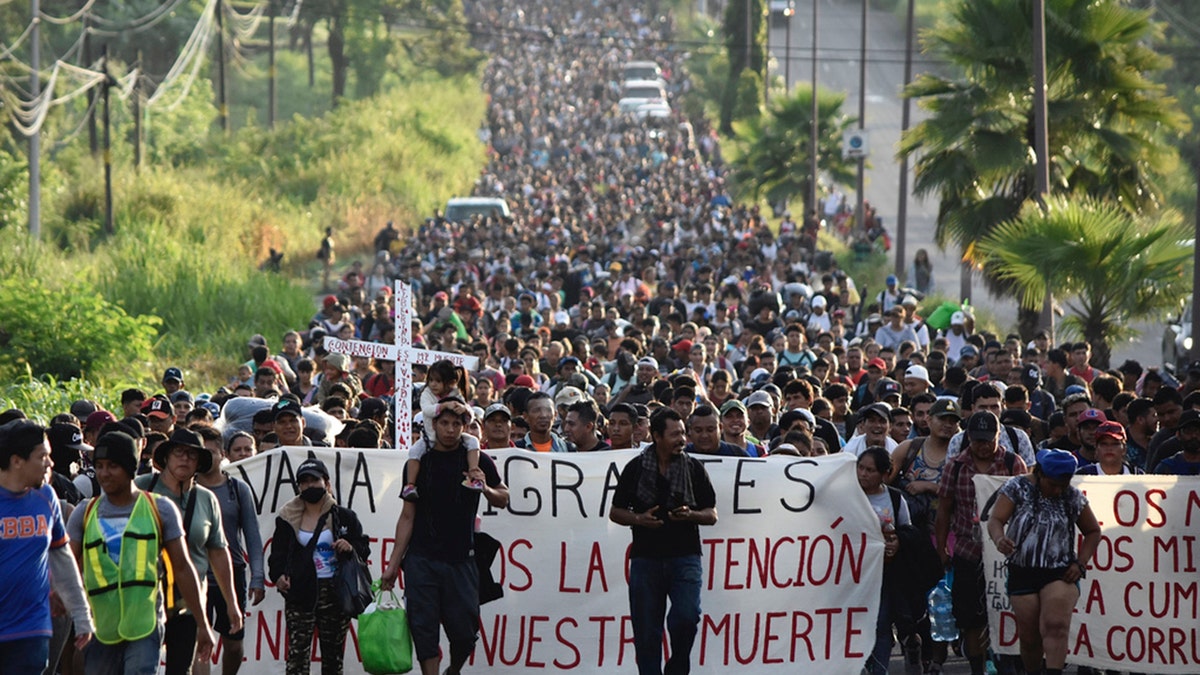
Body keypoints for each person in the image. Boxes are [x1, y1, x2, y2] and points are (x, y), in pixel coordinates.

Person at [380, 399, 510, 675]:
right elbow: (407, 517)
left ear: (464, 427)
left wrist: (485, 488)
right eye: (444, 423)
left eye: (456, 424)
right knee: (424, 631)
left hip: (462, 560)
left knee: (465, 633)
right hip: (421, 560)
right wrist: (392, 565)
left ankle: (454, 669)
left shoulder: (478, 459)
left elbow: (504, 498)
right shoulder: (419, 462)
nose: (450, 429)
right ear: (434, 425)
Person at [68, 431, 214, 675]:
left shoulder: (159, 509)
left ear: (130, 468)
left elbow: (183, 567)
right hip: (99, 627)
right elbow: (68, 568)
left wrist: (202, 623)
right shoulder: (84, 513)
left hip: (144, 625)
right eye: (100, 466)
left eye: (113, 466)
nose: (104, 473)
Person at [609, 408, 718, 675]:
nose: (682, 439)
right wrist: (639, 519)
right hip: (646, 560)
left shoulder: (694, 468)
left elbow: (711, 514)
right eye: (674, 434)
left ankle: (677, 667)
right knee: (646, 633)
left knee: (687, 617)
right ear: (656, 436)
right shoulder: (635, 469)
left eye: (683, 433)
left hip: (685, 558)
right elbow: (616, 512)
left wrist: (691, 515)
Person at [135, 428, 242, 675]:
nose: (184, 459)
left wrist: (231, 603)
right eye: (179, 453)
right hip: (143, 596)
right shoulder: (142, 488)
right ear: (166, 458)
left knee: (180, 669)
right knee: (140, 667)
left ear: (199, 463)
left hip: (189, 600)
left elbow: (218, 552)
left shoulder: (206, 499)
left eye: (192, 455)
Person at [987, 449, 1101, 675]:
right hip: (1022, 570)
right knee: (1030, 637)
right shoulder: (1017, 488)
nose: (1058, 489)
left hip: (1060, 571)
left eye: (1063, 483)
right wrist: (999, 538)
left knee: (1056, 626)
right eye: (1053, 484)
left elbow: (1093, 531)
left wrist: (1080, 563)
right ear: (1040, 474)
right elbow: (996, 519)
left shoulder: (1073, 496)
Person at [935, 411, 1027, 675]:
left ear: (998, 437)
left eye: (988, 440)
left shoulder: (1013, 463)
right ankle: (977, 668)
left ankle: (1010, 664)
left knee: (1009, 613)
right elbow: (944, 509)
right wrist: (942, 548)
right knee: (970, 619)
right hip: (967, 551)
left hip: (1006, 554)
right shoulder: (955, 466)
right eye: (977, 441)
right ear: (968, 439)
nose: (983, 446)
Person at [0, 420, 94, 673]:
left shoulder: (46, 497)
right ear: (17, 460)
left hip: (32, 628)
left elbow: (62, 559)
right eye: (42, 456)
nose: (50, 464)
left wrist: (82, 614)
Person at [268, 458, 371, 675]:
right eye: (304, 482)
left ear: (326, 483)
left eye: (314, 480)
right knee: (297, 659)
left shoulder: (344, 516)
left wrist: (350, 546)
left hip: (335, 592)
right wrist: (278, 576)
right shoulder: (287, 517)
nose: (309, 485)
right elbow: (276, 555)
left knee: (333, 660)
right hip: (300, 592)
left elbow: (363, 546)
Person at [195, 428, 265, 675]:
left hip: (231, 574)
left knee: (233, 645)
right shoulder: (185, 489)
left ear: (222, 454)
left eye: (210, 453)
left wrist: (258, 576)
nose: (204, 458)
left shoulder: (237, 489)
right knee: (199, 644)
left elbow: (252, 535)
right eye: (199, 453)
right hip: (194, 574)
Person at [857, 446, 919, 675]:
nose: (863, 474)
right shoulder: (846, 495)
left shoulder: (894, 498)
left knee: (881, 623)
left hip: (884, 573)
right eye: (860, 468)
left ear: (884, 474)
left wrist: (897, 541)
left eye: (870, 470)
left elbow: (908, 530)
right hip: (851, 575)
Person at [403, 360, 483, 500]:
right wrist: (444, 406)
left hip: (455, 439)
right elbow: (427, 410)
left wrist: (464, 409)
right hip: (430, 438)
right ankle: (410, 485)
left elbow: (468, 418)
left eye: (438, 381)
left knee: (473, 442)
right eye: (431, 380)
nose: (433, 384)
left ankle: (473, 475)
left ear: (451, 382)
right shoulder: (427, 393)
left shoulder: (456, 393)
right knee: (414, 452)